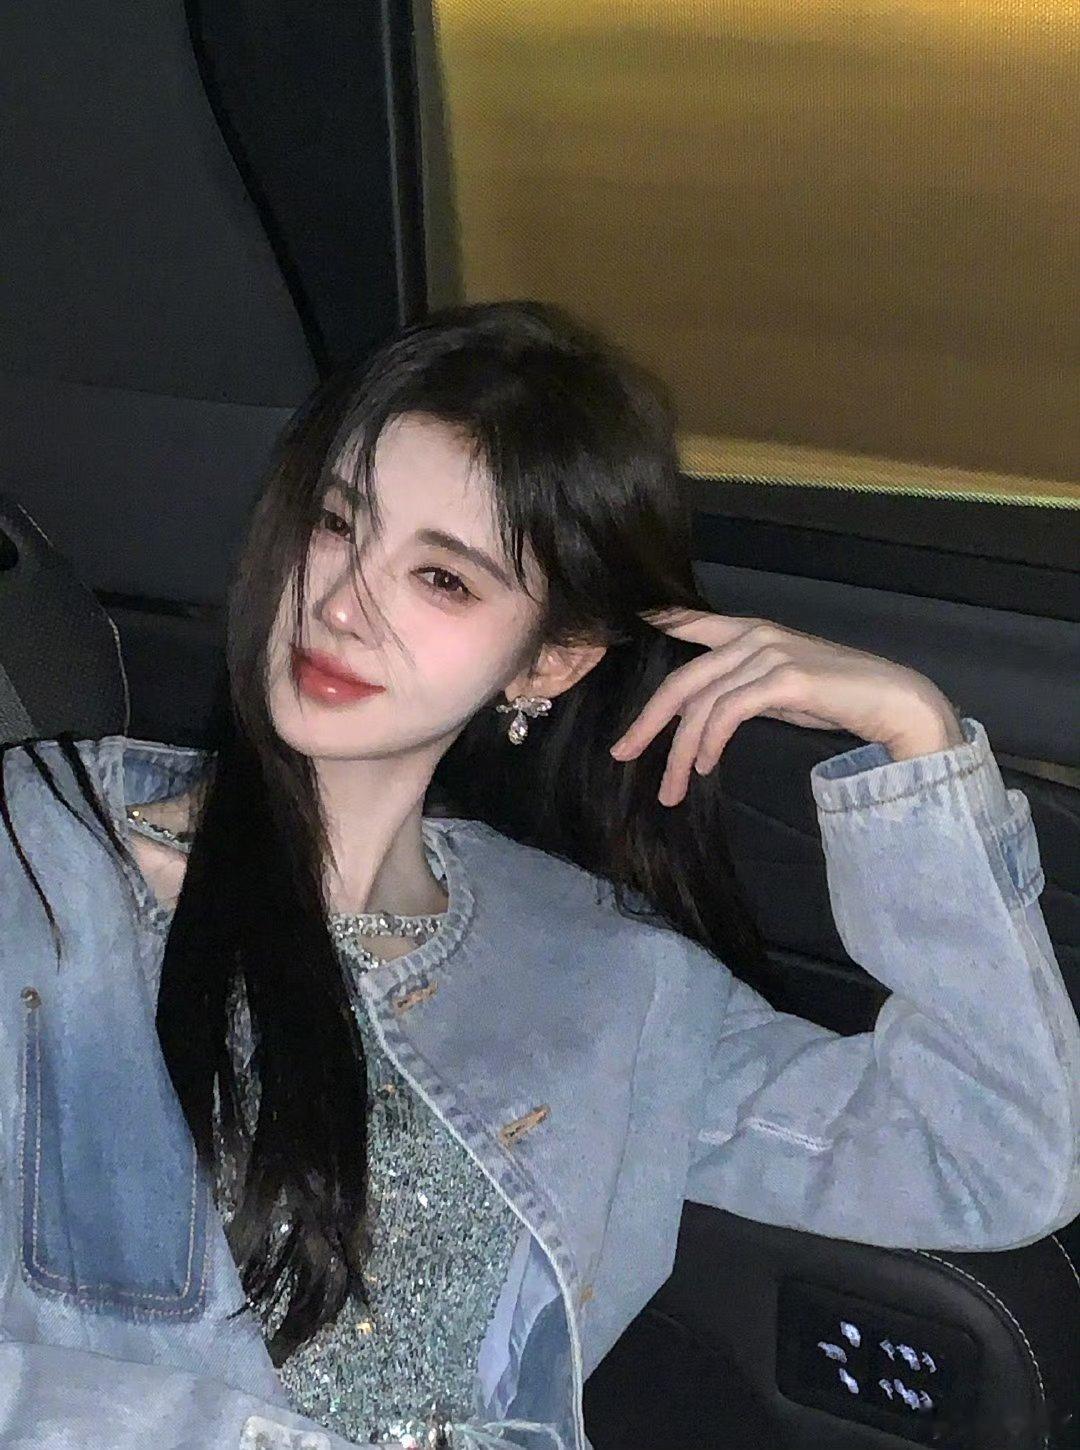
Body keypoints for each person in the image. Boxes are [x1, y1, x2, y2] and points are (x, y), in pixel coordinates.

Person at [1, 301, 1077, 1450]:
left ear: (548, 663)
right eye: (336, 522)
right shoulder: (40, 864)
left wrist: (917, 738)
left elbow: (992, 1156)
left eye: (442, 579)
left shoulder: (615, 978)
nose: (343, 603)